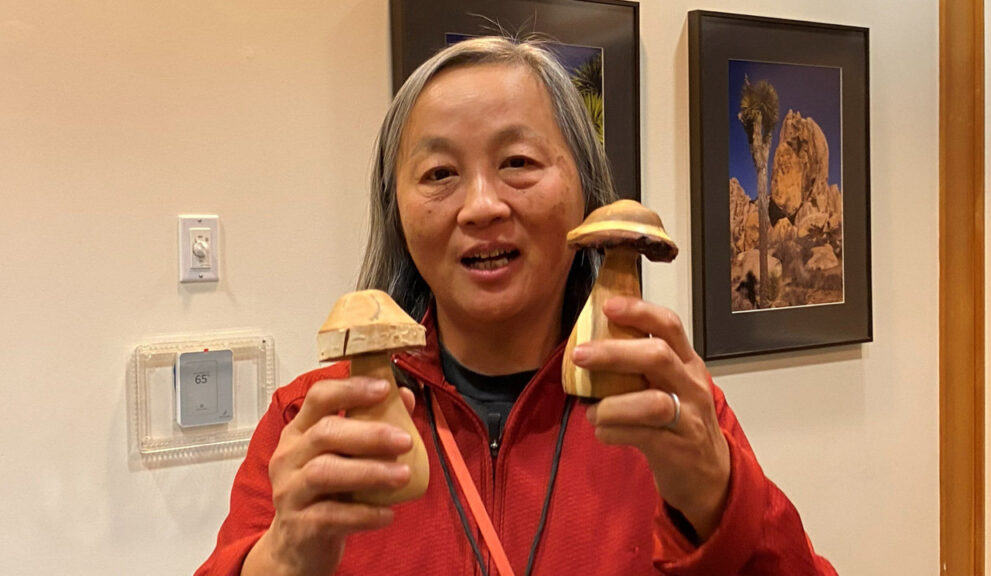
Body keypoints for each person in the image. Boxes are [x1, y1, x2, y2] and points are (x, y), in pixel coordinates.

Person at [196, 36, 837, 576]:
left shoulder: (667, 414)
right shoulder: (312, 424)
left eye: (519, 162)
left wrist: (719, 501)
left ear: (585, 189)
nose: (481, 205)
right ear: (397, 212)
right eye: (439, 173)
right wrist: (281, 555)